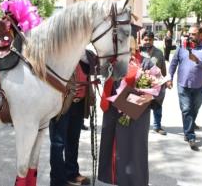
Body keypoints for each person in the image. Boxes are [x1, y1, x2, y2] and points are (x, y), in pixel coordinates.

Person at [98, 34, 151, 186]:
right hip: (114, 111)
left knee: (135, 148)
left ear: (135, 46)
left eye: (129, 47)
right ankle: (113, 178)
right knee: (113, 146)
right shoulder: (112, 63)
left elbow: (155, 87)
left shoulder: (145, 63)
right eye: (122, 47)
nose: (126, 50)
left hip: (137, 114)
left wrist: (148, 97)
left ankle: (135, 181)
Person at [167, 24, 202, 151]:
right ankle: (191, 136)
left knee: (193, 110)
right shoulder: (181, 48)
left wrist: (197, 60)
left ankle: (187, 131)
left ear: (200, 35)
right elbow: (173, 64)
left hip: (199, 85)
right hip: (183, 84)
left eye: (193, 34)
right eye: (189, 34)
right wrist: (169, 78)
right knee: (187, 109)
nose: (190, 36)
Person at [49, 56, 93, 186]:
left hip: (79, 104)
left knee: (73, 141)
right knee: (58, 143)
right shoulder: (61, 52)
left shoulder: (87, 55)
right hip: (62, 104)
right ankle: (57, 180)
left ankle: (72, 173)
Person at [140, 31, 167, 135]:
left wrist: (165, 81)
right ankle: (141, 126)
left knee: (157, 106)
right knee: (141, 106)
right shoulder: (138, 51)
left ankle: (157, 126)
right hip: (141, 84)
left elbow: (163, 67)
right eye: (146, 40)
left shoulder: (159, 53)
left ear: (153, 41)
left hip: (156, 84)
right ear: (142, 40)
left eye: (150, 40)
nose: (147, 42)